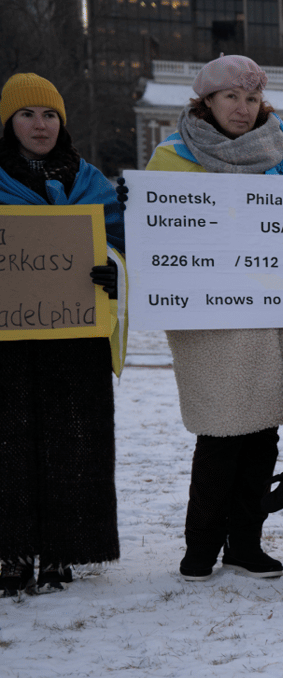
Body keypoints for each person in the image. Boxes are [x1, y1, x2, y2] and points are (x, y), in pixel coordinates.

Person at [146, 55, 283, 581]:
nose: (242, 110)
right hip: (213, 323)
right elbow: (158, 237)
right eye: (230, 98)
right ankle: (201, 545)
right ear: (206, 102)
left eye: (251, 99)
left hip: (275, 320)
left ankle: (245, 544)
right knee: (220, 436)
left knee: (262, 434)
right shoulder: (172, 160)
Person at [0, 73, 123, 595]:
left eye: (49, 115)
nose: (40, 124)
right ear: (8, 122)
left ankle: (61, 553)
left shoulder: (90, 180)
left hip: (76, 336)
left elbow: (120, 243)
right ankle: (11, 553)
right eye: (27, 114)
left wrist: (115, 269)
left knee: (74, 443)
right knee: (10, 445)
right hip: (8, 340)